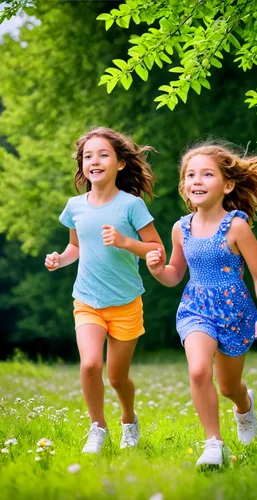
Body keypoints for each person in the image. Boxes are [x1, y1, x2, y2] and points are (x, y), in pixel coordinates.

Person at [146, 141, 257, 468]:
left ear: (227, 185)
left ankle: (244, 405)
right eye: (191, 175)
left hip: (235, 313)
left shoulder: (236, 226)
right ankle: (213, 444)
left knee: (228, 386)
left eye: (207, 174)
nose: (197, 181)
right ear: (184, 187)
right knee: (199, 370)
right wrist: (158, 270)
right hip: (196, 310)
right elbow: (175, 274)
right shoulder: (180, 229)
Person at [45, 126, 164, 454]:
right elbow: (75, 247)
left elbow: (157, 250)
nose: (94, 161)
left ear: (120, 163)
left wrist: (127, 242)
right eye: (87, 156)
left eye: (103, 154)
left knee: (117, 378)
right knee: (90, 365)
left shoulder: (131, 205)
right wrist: (59, 259)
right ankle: (97, 427)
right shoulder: (75, 206)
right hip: (87, 300)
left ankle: (129, 419)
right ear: (82, 165)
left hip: (126, 302)